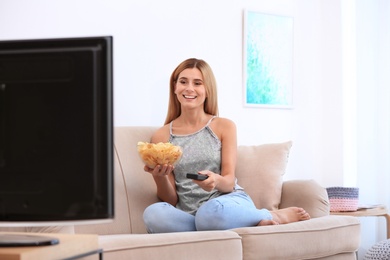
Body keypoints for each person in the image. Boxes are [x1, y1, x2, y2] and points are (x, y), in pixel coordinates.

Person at [142, 58, 310, 233]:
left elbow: (229, 182)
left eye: (197, 83)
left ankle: (269, 215)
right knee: (153, 214)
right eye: (183, 82)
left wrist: (215, 180)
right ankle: (219, 226)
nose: (189, 88)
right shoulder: (161, 136)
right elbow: (170, 200)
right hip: (188, 214)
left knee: (209, 214)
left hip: (226, 205)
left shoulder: (223, 126)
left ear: (207, 90)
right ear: (175, 87)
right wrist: (159, 176)